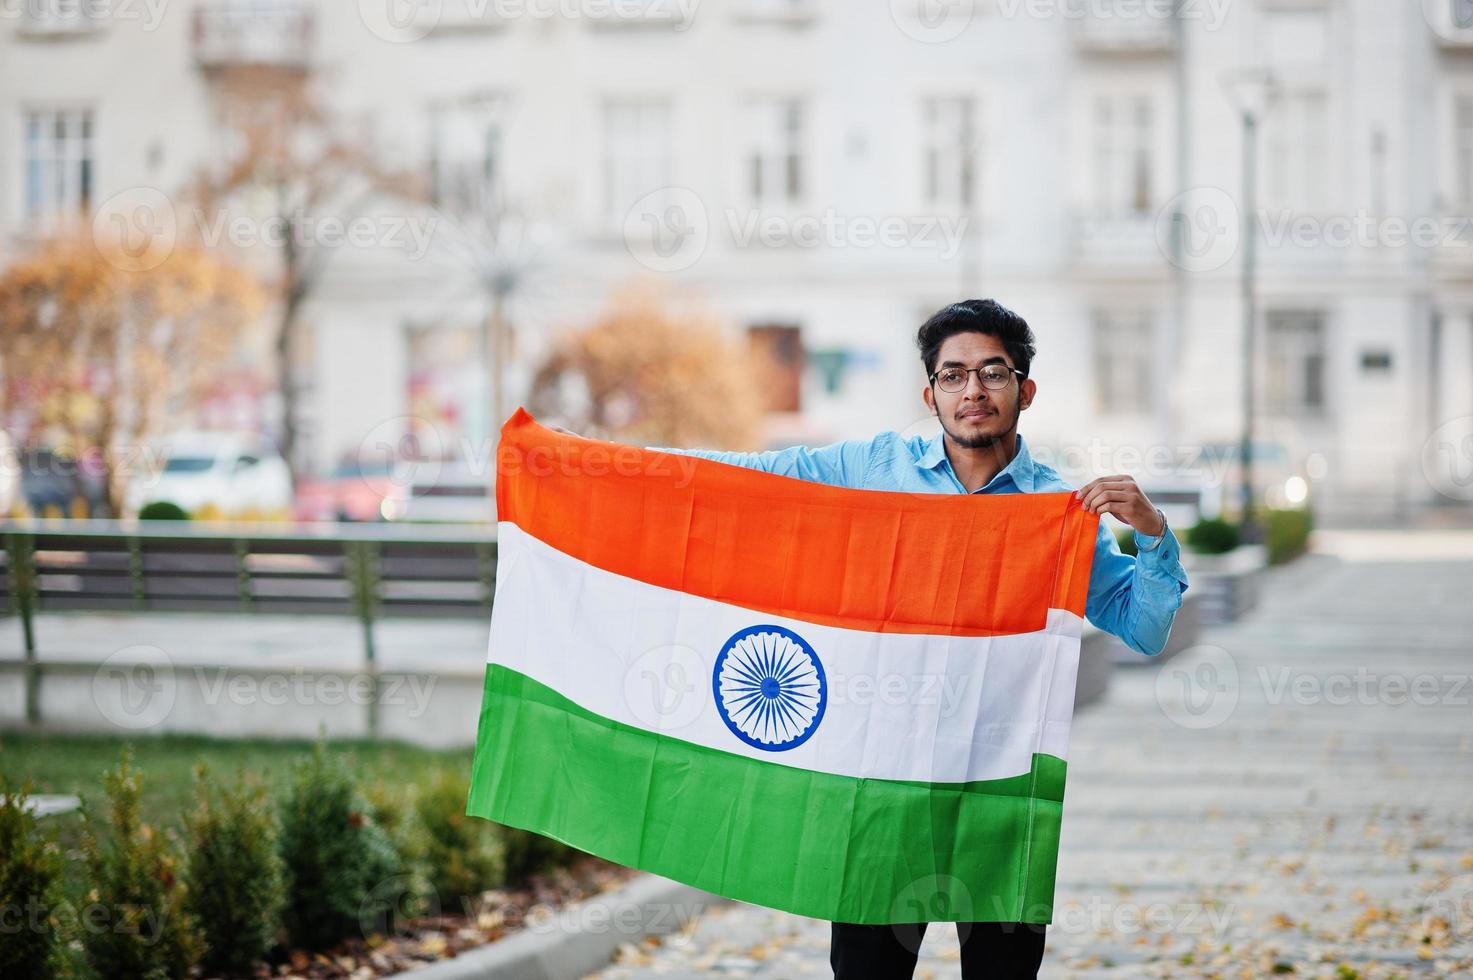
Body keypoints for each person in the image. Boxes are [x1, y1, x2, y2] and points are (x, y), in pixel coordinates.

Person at [551, 298, 1189, 979]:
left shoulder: (1056, 515)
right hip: (883, 787)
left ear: (1023, 390)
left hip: (999, 791)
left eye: (992, 372)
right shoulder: (873, 470)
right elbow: (746, 482)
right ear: (930, 392)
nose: (972, 390)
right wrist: (599, 468)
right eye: (953, 375)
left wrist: (1150, 534)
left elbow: (1143, 628)